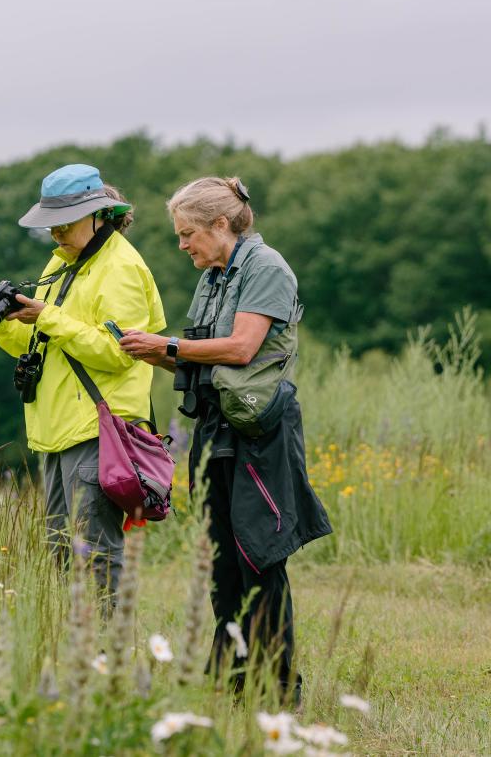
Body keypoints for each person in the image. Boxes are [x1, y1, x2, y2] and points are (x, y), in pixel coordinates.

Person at [119, 176, 331, 701]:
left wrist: (168, 345)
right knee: (220, 557)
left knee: (259, 552)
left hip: (260, 430)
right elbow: (203, 353)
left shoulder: (267, 268)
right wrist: (160, 355)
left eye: (188, 233)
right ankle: (232, 675)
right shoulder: (213, 276)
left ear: (220, 224)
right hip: (216, 427)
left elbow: (239, 349)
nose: (183, 244)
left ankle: (279, 686)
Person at [0, 164, 166, 600]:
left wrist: (48, 316)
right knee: (63, 551)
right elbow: (39, 343)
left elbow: (117, 354)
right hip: (59, 429)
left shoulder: (119, 267)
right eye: (51, 224)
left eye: (65, 222)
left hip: (99, 428)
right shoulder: (66, 262)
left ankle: (106, 655)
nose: (56, 233)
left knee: (95, 553)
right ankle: (79, 647)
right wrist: (3, 322)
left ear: (99, 214)